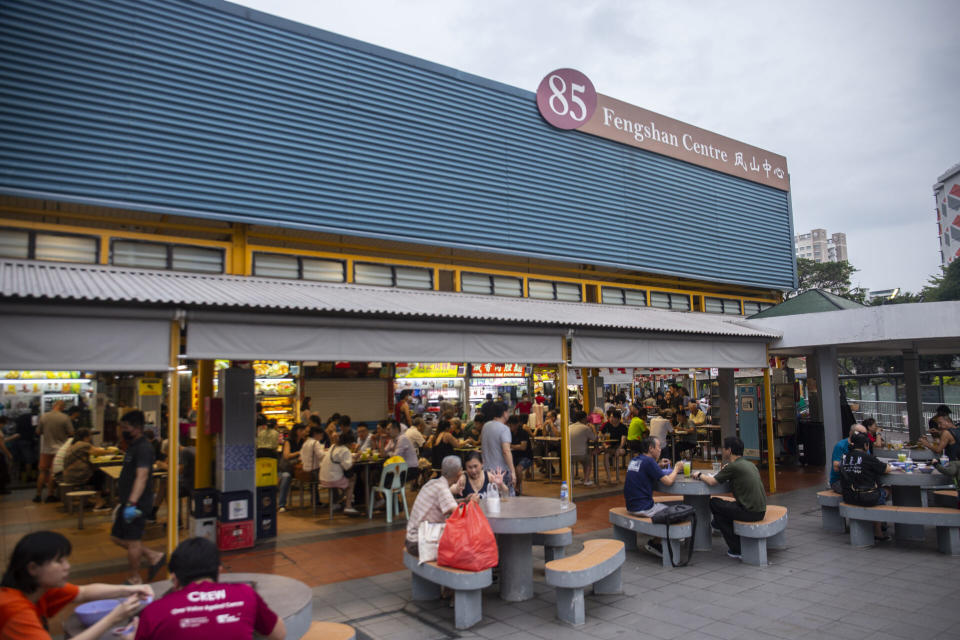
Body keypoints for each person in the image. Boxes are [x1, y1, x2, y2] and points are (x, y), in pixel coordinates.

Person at [0, 531, 152, 639]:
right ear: (32, 568)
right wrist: (113, 618)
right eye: (59, 561)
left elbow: (84, 592)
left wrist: (131, 589)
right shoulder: (15, 611)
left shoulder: (38, 589)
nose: (67, 566)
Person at [132, 537, 285, 640]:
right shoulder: (246, 595)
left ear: (175, 578)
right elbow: (279, 633)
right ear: (219, 570)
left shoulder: (154, 612)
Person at [110, 410, 166, 584]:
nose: (122, 430)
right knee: (116, 537)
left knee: (133, 542)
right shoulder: (133, 446)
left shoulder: (144, 448)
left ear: (137, 428)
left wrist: (132, 503)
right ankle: (153, 555)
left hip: (137, 503)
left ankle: (135, 578)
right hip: (128, 501)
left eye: (125, 427)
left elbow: (142, 476)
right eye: (122, 427)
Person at [694, 436, 766, 560]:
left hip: (749, 512)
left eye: (724, 448)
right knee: (720, 511)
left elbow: (711, 481)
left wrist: (699, 475)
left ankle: (737, 549)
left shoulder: (733, 467)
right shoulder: (749, 464)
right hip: (760, 510)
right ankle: (719, 527)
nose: (722, 450)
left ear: (730, 450)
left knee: (714, 503)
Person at [624, 437, 681, 558]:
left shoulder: (635, 460)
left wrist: (658, 465)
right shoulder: (649, 462)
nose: (660, 450)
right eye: (659, 447)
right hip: (644, 508)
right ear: (651, 448)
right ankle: (655, 543)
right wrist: (677, 468)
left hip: (631, 505)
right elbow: (669, 482)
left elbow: (645, 469)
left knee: (665, 507)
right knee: (675, 513)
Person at [405, 456, 473, 556]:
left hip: (411, 538)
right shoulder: (443, 490)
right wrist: (472, 504)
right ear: (459, 473)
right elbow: (460, 514)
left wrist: (464, 500)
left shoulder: (432, 483)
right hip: (419, 543)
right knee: (463, 547)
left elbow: (448, 502)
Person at [839, 431, 893, 540]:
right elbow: (887, 469)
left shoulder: (844, 457)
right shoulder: (868, 457)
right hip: (866, 497)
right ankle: (878, 531)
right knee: (886, 490)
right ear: (865, 445)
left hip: (848, 496)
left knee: (878, 490)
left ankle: (879, 524)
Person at [61, 429, 112, 511]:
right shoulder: (83, 444)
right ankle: (99, 502)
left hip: (68, 475)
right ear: (86, 437)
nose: (91, 438)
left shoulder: (73, 445)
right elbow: (97, 451)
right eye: (90, 436)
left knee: (95, 472)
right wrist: (112, 450)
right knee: (99, 474)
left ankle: (100, 494)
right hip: (76, 476)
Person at [34, 401, 73, 503]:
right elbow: (71, 432)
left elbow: (38, 432)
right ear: (62, 407)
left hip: (45, 449)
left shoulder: (44, 416)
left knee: (42, 472)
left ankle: (38, 495)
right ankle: (50, 495)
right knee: (53, 473)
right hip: (59, 450)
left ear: (53, 406)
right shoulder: (65, 417)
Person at [318, 429, 359, 515]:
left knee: (345, 478)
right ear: (349, 443)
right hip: (332, 480)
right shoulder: (345, 450)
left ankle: (339, 500)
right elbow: (348, 467)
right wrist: (355, 459)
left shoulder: (333, 446)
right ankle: (348, 506)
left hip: (322, 478)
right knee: (352, 478)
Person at [480, 402, 516, 492]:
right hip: (501, 472)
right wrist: (513, 471)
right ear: (504, 413)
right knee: (507, 499)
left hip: (486, 470)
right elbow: (506, 451)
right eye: (508, 412)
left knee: (491, 499)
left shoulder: (485, 426)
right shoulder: (504, 429)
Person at [829, 424, 868, 493]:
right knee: (860, 491)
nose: (865, 437)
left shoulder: (863, 445)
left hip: (858, 478)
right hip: (839, 481)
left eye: (865, 434)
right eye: (862, 434)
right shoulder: (841, 446)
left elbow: (868, 459)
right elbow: (835, 466)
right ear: (852, 433)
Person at [277, 423, 305, 512]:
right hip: (286, 468)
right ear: (297, 431)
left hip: (296, 467)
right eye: (302, 430)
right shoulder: (288, 441)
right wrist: (299, 452)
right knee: (286, 477)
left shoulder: (302, 441)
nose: (304, 432)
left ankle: (315, 502)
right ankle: (281, 504)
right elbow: (286, 455)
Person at [568, 411, 597, 486]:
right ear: (584, 418)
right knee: (588, 461)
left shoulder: (569, 427)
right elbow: (594, 438)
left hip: (568, 454)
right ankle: (586, 480)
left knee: (578, 461)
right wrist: (593, 428)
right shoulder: (585, 428)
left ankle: (571, 481)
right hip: (581, 454)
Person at [600, 408, 627, 483]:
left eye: (613, 417)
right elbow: (601, 436)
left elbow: (623, 440)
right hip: (610, 447)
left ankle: (617, 477)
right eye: (610, 417)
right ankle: (608, 477)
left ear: (618, 418)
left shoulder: (623, 427)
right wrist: (604, 444)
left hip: (620, 447)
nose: (611, 419)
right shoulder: (607, 425)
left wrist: (620, 447)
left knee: (617, 453)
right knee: (606, 456)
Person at [507, 416, 533, 495]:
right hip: (514, 456)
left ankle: (517, 487)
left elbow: (523, 447)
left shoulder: (523, 432)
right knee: (507, 468)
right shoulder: (509, 433)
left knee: (518, 469)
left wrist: (510, 446)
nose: (510, 427)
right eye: (509, 425)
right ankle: (510, 488)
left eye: (511, 425)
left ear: (517, 424)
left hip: (526, 457)